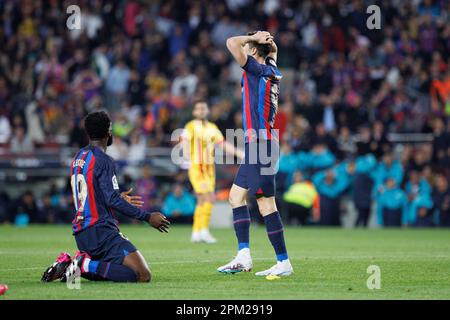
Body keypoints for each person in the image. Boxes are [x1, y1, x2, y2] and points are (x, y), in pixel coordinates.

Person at [41, 111, 170, 283]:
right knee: (142, 275)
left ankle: (71, 265)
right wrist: (147, 217)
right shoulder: (103, 160)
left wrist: (116, 196)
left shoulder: (79, 156)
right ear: (109, 131)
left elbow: (93, 194)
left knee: (120, 272)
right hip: (101, 231)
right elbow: (112, 200)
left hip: (82, 234)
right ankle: (81, 265)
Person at [217, 31, 293, 277]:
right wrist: (266, 41)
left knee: (265, 205)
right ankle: (245, 257)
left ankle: (280, 262)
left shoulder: (256, 70)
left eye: (248, 47)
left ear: (252, 51)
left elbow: (230, 43)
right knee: (237, 198)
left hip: (260, 145)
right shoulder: (272, 68)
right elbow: (273, 51)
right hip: (264, 144)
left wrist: (256, 37)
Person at [181, 100, 243, 243]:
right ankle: (203, 231)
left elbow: (223, 144)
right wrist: (185, 158)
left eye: (204, 108)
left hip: (209, 168)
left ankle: (197, 232)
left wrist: (240, 154)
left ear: (207, 111)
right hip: (197, 167)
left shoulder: (212, 127)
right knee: (207, 197)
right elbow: (184, 142)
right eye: (199, 109)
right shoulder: (190, 126)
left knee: (204, 199)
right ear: (194, 112)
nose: (201, 111)